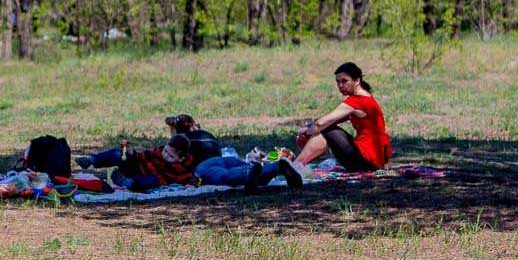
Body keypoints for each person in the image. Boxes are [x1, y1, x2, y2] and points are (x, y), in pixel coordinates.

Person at [167, 113, 303, 192]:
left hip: (205, 166)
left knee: (227, 176)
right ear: (194, 125)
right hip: (226, 159)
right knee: (249, 167)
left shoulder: (179, 142)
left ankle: (249, 175)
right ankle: (276, 167)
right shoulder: (206, 134)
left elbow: (175, 166)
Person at [294, 61, 391, 172]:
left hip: (366, 162)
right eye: (338, 82)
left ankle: (296, 165)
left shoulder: (357, 101)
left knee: (326, 128)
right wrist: (309, 126)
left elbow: (321, 123)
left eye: (344, 81)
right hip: (373, 161)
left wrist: (306, 134)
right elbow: (333, 120)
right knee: (326, 127)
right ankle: (297, 164)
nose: (340, 86)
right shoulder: (366, 97)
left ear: (357, 81)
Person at [76, 134, 198, 192]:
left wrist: (191, 186)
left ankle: (126, 182)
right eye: (165, 151)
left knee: (153, 181)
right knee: (119, 154)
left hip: (146, 180)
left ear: (181, 158)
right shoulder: (159, 151)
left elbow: (191, 179)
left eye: (170, 156)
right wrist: (131, 151)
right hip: (137, 168)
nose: (165, 155)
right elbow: (141, 156)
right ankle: (90, 160)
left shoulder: (183, 168)